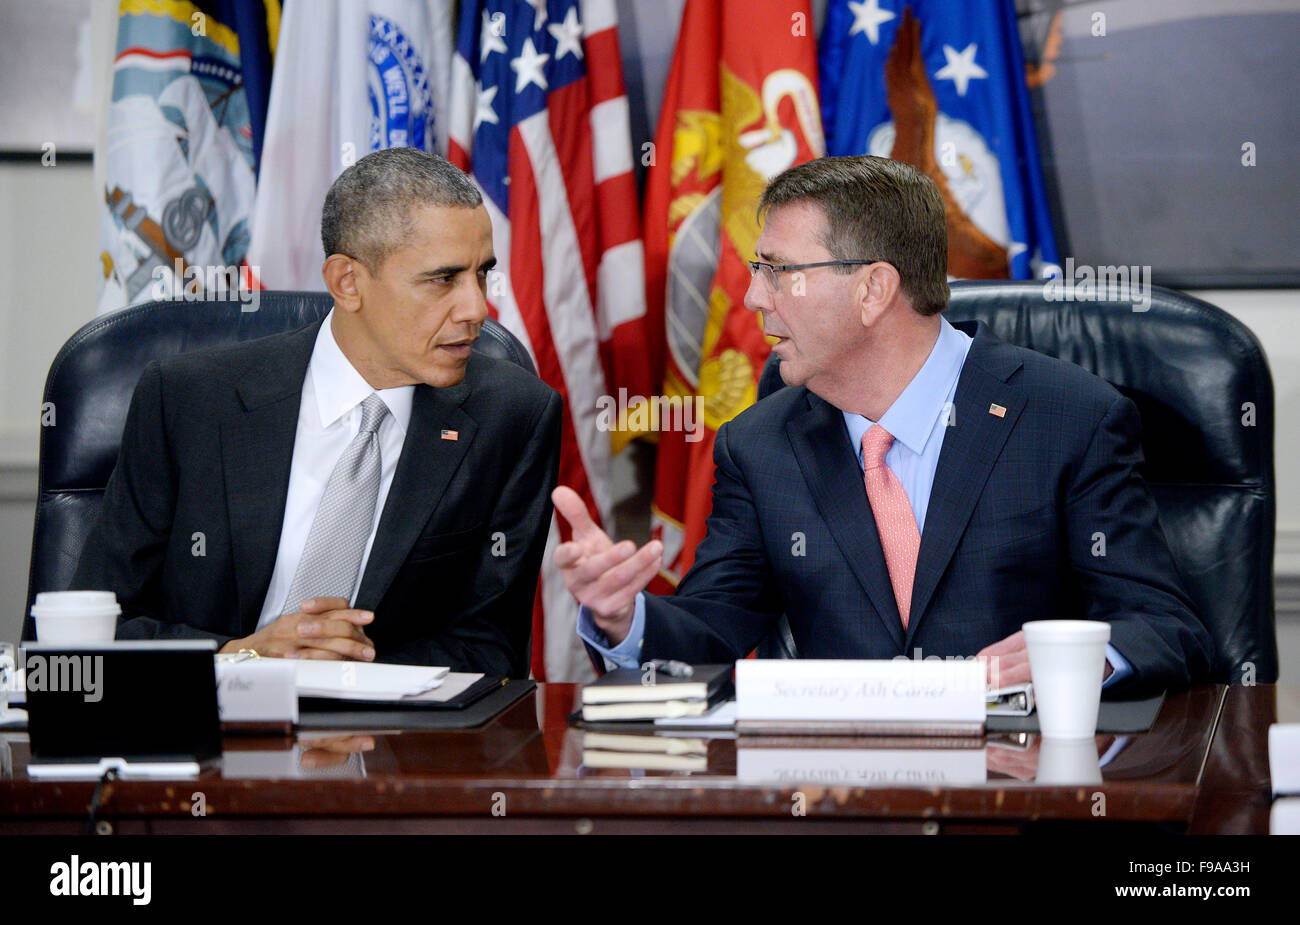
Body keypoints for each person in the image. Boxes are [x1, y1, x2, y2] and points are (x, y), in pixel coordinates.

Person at [555, 155, 1213, 695]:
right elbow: (710, 630)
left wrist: (1080, 662)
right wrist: (623, 619)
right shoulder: (761, 445)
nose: (755, 298)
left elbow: (1165, 628)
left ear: (873, 289)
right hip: (838, 803)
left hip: (1020, 794)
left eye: (779, 272)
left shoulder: (1069, 417)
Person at [71, 148, 561, 677]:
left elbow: (491, 649)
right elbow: (91, 631)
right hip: (202, 732)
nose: (477, 309)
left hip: (391, 743)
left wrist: (340, 668)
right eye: (443, 279)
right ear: (347, 282)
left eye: (482, 274)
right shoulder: (188, 399)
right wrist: (242, 657)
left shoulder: (516, 416)